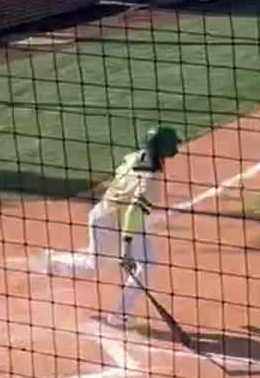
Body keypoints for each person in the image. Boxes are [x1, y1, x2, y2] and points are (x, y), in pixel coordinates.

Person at [41, 126, 182, 328]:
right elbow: (133, 213)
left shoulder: (136, 157)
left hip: (113, 215)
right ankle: (54, 262)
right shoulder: (150, 183)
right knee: (94, 267)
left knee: (147, 265)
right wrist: (126, 250)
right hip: (108, 223)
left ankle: (120, 313)